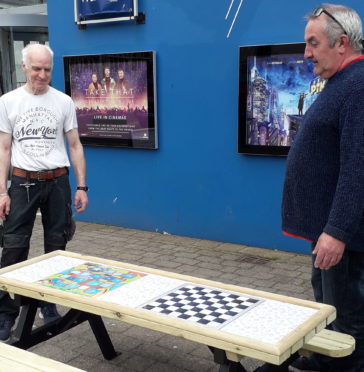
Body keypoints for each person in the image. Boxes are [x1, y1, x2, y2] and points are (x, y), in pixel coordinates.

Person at [282, 4, 364, 372]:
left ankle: (347, 365)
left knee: (348, 319)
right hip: (327, 233)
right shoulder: (342, 82)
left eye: (313, 43)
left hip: (342, 238)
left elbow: (358, 168)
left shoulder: (359, 87)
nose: (306, 53)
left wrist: (337, 231)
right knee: (328, 307)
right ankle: (326, 359)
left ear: (342, 43)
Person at [0, 44, 89, 341]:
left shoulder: (63, 102)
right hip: (22, 181)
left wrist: (81, 186)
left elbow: (75, 145)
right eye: (36, 68)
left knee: (57, 245)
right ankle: (6, 314)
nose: (42, 74)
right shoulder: (8, 101)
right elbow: (3, 149)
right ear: (24, 67)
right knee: (14, 247)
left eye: (47, 69)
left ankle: (47, 304)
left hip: (57, 182)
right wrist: (2, 192)